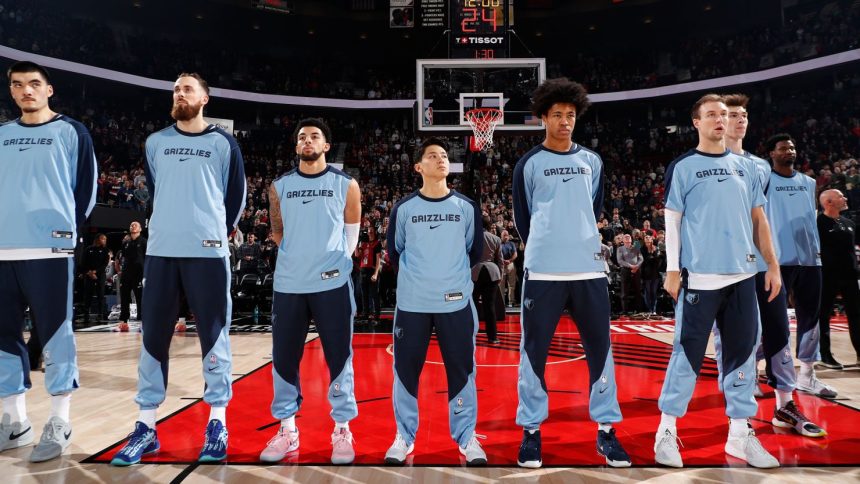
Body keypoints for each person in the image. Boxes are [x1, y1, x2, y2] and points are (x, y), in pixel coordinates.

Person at [111, 73, 246, 465]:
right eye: (175, 88)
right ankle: (146, 427)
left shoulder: (223, 142)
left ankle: (218, 421)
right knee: (153, 336)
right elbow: (158, 191)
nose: (179, 93)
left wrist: (214, 233)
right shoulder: (155, 143)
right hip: (162, 251)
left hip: (208, 252)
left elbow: (234, 196)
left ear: (205, 97)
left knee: (213, 334)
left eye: (187, 88)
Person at [654, 94, 780, 469]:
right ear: (697, 122)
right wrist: (673, 269)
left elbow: (759, 220)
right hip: (700, 277)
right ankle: (665, 430)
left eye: (724, 114)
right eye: (711, 114)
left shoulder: (747, 168)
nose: (719, 120)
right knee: (687, 355)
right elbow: (672, 220)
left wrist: (771, 265)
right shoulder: (684, 167)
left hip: (743, 274)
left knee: (742, 355)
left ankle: (740, 434)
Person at [512, 78, 631, 468]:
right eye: (558, 115)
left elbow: (594, 211)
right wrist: (547, 244)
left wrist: (576, 240)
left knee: (601, 349)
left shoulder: (592, 161)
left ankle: (607, 431)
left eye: (571, 115)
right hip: (543, 270)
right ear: (543, 117)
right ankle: (531, 430)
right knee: (534, 353)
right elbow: (522, 217)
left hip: (589, 269)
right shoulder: (529, 163)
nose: (565, 121)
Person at [712, 98, 829, 439]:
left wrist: (773, 262)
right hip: (723, 266)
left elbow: (761, 219)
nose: (738, 120)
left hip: (763, 265)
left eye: (743, 115)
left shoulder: (761, 168)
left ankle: (785, 403)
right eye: (731, 115)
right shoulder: (699, 164)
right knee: (734, 334)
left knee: (778, 331)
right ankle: (734, 398)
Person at [0, 61, 97, 461]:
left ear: (49, 89)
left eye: (34, 84)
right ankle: (14, 420)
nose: (27, 90)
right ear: (11, 91)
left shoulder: (72, 131)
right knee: (3, 338)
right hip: (3, 249)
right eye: (18, 85)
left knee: (56, 336)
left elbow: (86, 191)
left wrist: (65, 233)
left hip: (50, 250)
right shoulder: (2, 135)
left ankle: (60, 420)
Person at [258, 118, 361, 465]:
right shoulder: (279, 186)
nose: (307, 140)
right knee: (285, 359)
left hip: (332, 284)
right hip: (289, 285)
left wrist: (331, 263)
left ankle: (342, 429)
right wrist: (298, 259)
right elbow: (277, 230)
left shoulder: (346, 184)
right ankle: (287, 430)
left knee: (339, 358)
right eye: (302, 137)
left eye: (314, 136)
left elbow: (351, 233)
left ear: (326, 146)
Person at [384, 138, 486, 466]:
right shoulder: (404, 208)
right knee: (405, 371)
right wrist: (419, 281)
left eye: (444, 156)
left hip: (455, 304)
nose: (441, 160)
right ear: (418, 167)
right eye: (432, 156)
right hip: (412, 304)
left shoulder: (466, 207)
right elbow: (394, 252)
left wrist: (448, 279)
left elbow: (474, 251)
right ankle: (404, 436)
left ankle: (467, 436)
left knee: (462, 371)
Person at [818, 189, 860, 367]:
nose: (845, 198)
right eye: (840, 196)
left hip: (850, 276)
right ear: (829, 202)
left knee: (857, 315)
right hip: (827, 276)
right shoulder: (818, 222)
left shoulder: (849, 222)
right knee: (823, 315)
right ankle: (824, 354)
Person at [472, 215, 504, 344]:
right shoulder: (496, 238)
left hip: (475, 272)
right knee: (489, 306)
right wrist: (500, 275)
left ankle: (470, 333)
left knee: (472, 305)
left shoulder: (472, 239)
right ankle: (493, 337)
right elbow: (500, 260)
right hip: (492, 272)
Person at [116, 222, 147, 332]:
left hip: (139, 274)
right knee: (124, 298)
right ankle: (124, 322)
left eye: (135, 225)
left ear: (140, 229)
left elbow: (147, 259)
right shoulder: (125, 242)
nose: (133, 226)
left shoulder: (144, 242)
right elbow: (123, 258)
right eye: (131, 225)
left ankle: (142, 322)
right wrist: (121, 271)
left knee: (140, 299)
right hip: (126, 274)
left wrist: (146, 274)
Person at [80, 234, 110, 323]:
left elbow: (105, 264)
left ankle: (100, 314)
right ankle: (86, 315)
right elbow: (83, 262)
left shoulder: (105, 250)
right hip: (89, 275)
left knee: (100, 295)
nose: (104, 240)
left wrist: (95, 272)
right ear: (97, 239)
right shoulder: (88, 249)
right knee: (87, 295)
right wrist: (89, 272)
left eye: (105, 239)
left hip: (100, 275)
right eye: (102, 238)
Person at [357, 226, 382, 322]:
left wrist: (376, 273)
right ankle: (365, 313)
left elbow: (378, 259)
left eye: (371, 231)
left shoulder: (377, 244)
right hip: (363, 270)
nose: (370, 232)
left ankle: (376, 314)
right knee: (364, 294)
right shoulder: (363, 244)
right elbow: (357, 255)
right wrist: (357, 243)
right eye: (368, 231)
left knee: (374, 294)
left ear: (374, 232)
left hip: (372, 270)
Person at [617, 234, 643, 314]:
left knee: (638, 291)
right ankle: (625, 311)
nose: (628, 238)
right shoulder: (620, 249)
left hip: (637, 270)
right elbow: (620, 261)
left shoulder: (636, 247)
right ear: (623, 240)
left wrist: (637, 266)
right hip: (625, 271)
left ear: (631, 239)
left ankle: (638, 310)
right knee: (624, 293)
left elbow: (641, 258)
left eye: (629, 237)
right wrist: (630, 266)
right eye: (626, 237)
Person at [640, 234, 663, 315]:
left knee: (653, 292)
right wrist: (651, 256)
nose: (647, 238)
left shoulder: (656, 248)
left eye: (649, 237)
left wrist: (653, 254)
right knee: (647, 293)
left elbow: (658, 262)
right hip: (645, 274)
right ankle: (649, 309)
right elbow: (643, 261)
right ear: (644, 240)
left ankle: (653, 309)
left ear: (652, 239)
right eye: (646, 237)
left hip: (655, 274)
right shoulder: (642, 249)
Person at [500, 230, 518, 306]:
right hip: (501, 265)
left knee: (511, 285)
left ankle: (511, 302)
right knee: (501, 285)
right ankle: (501, 303)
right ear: (501, 236)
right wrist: (502, 261)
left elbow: (515, 254)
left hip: (510, 265)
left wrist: (509, 260)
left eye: (507, 235)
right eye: (504, 235)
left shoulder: (511, 243)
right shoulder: (498, 243)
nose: (506, 236)